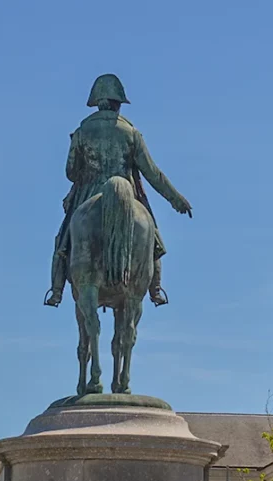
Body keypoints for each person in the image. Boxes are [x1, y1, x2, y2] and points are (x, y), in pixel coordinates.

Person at [45, 74, 192, 307]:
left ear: (97, 101)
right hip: (127, 194)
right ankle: (155, 289)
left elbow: (71, 172)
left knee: (63, 241)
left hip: (88, 192)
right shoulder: (131, 132)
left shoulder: (82, 131)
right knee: (153, 241)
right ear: (117, 102)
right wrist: (177, 200)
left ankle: (56, 290)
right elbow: (152, 173)